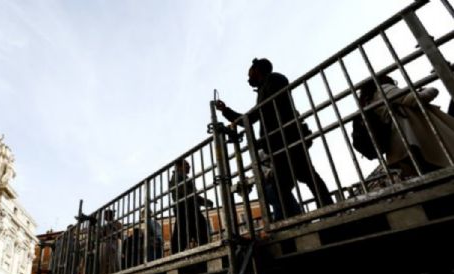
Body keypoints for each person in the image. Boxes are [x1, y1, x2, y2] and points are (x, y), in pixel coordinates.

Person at [215, 58, 333, 219]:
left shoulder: (273, 80)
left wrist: (227, 112)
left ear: (257, 70)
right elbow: (256, 116)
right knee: (301, 180)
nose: (248, 78)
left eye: (250, 73)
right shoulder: (268, 85)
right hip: (282, 141)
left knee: (295, 182)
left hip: (285, 140)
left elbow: (254, 116)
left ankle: (310, 215)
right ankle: (322, 211)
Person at [360, 75, 454, 178]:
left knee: (433, 177)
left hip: (399, 147)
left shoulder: (369, 101)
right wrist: (431, 89)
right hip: (412, 140)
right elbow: (416, 99)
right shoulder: (383, 89)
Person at [170, 159, 213, 254]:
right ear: (179, 166)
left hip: (187, 208)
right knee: (198, 230)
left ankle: (177, 255)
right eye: (186, 165)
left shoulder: (181, 176)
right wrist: (204, 201)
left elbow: (189, 193)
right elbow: (186, 192)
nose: (189, 166)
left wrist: (202, 201)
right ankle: (206, 251)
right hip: (186, 208)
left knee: (185, 233)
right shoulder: (177, 176)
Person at [98, 209, 122, 274]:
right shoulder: (105, 226)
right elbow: (101, 236)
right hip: (106, 243)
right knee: (103, 261)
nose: (104, 217)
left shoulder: (117, 223)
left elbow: (120, 235)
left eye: (105, 215)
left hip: (114, 243)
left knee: (114, 262)